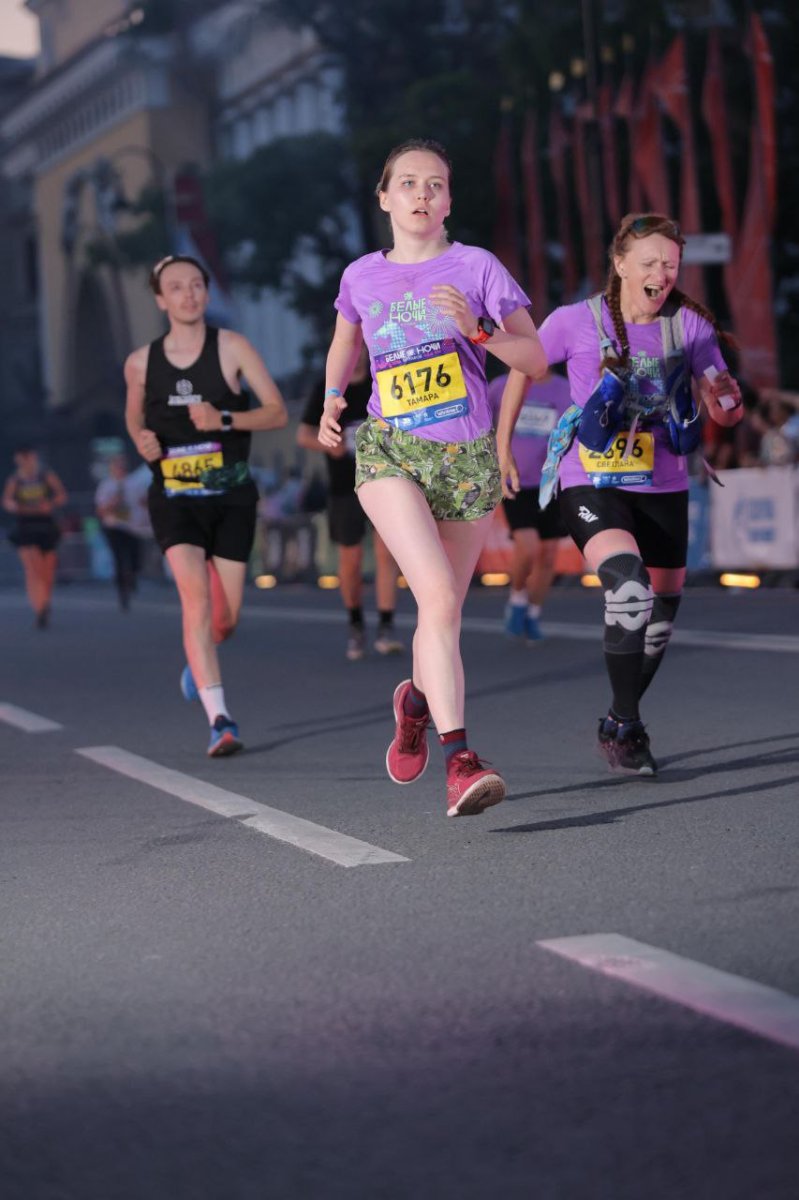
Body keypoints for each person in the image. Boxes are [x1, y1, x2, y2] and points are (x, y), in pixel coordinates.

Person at [319, 139, 547, 817]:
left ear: (448, 201)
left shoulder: (477, 267)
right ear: (384, 197)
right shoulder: (361, 275)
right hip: (390, 452)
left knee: (440, 613)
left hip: (467, 459)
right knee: (440, 597)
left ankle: (415, 704)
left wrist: (478, 332)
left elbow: (534, 357)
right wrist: (333, 398)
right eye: (409, 183)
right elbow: (345, 339)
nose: (422, 194)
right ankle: (460, 761)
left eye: (436, 185)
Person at [498, 212, 742, 777]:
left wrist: (726, 401)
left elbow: (727, 412)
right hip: (592, 478)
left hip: (664, 482)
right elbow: (522, 368)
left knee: (659, 620)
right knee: (629, 591)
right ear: (621, 264)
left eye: (671, 264)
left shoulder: (690, 327)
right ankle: (629, 729)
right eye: (650, 262)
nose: (662, 274)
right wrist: (502, 444)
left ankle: (616, 717)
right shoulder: (575, 321)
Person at [124, 254, 288, 757]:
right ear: (161, 299)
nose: (189, 294)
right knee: (194, 599)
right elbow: (134, 420)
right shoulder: (140, 363)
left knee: (224, 621)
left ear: (206, 292)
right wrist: (142, 440)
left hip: (231, 494)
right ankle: (220, 720)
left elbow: (276, 412)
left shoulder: (233, 347)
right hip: (175, 498)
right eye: (176, 287)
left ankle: (197, 665)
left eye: (196, 284)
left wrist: (224, 420)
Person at [298, 342, 405, 661]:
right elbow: (303, 435)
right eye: (350, 346)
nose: (356, 353)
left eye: (361, 346)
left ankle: (386, 627)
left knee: (387, 554)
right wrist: (328, 445)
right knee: (351, 560)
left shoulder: (380, 379)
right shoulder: (329, 388)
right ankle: (356, 625)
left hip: (384, 481)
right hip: (345, 486)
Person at [487, 370, 572, 640]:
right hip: (515, 481)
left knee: (548, 555)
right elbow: (483, 426)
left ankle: (533, 613)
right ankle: (517, 598)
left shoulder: (566, 388)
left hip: (552, 482)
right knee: (528, 545)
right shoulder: (501, 386)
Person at [2, 444, 67, 628]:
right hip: (25, 525)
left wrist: (50, 504)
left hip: (46, 524)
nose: (25, 463)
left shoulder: (46, 475)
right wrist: (14, 506)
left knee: (47, 569)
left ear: (33, 458)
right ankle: (39, 607)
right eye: (21, 460)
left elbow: (61, 495)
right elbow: (7, 500)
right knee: (32, 567)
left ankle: (45, 600)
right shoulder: (15, 479)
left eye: (27, 458)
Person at [95, 453, 151, 609]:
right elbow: (100, 510)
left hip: (133, 527)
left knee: (135, 557)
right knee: (119, 558)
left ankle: (132, 577)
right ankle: (122, 591)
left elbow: (144, 501)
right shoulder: (106, 486)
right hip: (114, 526)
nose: (120, 468)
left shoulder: (135, 483)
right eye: (117, 465)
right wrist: (112, 503)